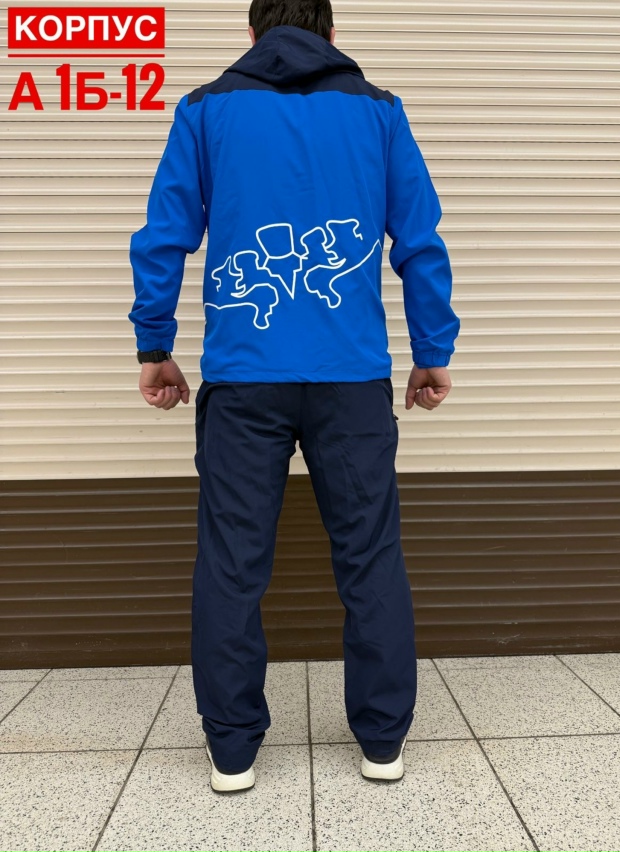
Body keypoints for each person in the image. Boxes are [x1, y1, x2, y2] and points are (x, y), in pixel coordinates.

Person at [129, 0, 461, 794]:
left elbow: (164, 234)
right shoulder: (379, 111)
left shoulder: (205, 110)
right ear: (332, 34)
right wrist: (432, 352)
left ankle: (232, 753)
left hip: (245, 377)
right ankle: (382, 742)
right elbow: (419, 241)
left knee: (232, 563)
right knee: (370, 555)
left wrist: (153, 346)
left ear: (251, 34)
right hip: (351, 378)